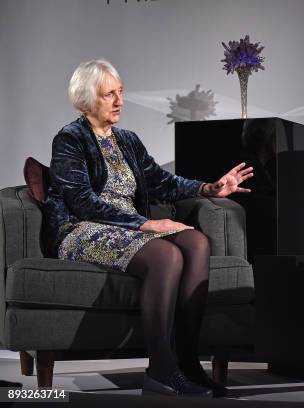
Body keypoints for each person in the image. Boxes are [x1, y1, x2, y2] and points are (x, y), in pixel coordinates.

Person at [42, 59, 254, 397]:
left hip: (129, 227)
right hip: (83, 229)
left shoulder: (127, 140)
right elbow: (82, 201)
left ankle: (187, 362)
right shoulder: (70, 139)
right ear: (85, 100)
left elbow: (161, 182)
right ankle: (161, 370)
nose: (118, 101)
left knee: (197, 243)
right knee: (166, 257)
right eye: (108, 94)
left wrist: (208, 188)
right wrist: (145, 223)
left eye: (121, 92)